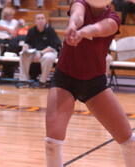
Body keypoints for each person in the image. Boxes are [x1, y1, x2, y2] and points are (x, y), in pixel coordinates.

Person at [45, 0, 135, 167]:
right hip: (64, 80)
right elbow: (77, 16)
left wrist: (82, 33)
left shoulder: (113, 18)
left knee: (129, 141)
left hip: (95, 85)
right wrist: (73, 25)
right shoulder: (79, 4)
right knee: (52, 143)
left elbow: (100, 28)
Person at [17, 13, 61, 88]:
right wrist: (25, 48)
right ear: (35, 21)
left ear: (45, 20)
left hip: (49, 52)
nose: (40, 20)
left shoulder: (50, 30)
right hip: (35, 52)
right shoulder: (31, 30)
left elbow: (53, 46)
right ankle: (24, 80)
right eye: (38, 18)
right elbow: (27, 43)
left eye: (42, 18)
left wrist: (40, 53)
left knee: (48, 58)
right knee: (23, 54)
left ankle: (42, 81)